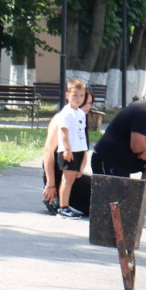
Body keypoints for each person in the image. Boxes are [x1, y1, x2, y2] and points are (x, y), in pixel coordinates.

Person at [91, 87, 146, 212]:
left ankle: (141, 198)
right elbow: (138, 146)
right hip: (108, 160)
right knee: (118, 204)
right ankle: (132, 199)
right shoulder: (140, 112)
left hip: (125, 159)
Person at [42, 88, 94, 215]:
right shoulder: (62, 118)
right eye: (85, 103)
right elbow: (48, 151)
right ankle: (60, 203)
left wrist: (80, 169)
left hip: (74, 173)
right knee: (98, 199)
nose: (88, 107)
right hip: (59, 174)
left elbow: (84, 150)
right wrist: (51, 185)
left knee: (104, 191)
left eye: (90, 103)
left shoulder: (81, 119)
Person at [55, 79, 90, 219]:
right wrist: (67, 149)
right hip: (69, 151)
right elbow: (64, 132)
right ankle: (63, 207)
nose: (78, 99)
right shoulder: (66, 113)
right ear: (67, 95)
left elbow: (81, 134)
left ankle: (67, 205)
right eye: (75, 95)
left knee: (74, 178)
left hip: (79, 150)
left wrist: (84, 152)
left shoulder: (81, 113)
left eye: (81, 96)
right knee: (67, 179)